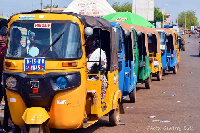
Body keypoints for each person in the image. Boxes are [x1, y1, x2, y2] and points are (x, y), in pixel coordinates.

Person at [86, 36, 108, 104]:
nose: (88, 42)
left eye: (90, 40)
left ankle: (100, 101)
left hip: (96, 75)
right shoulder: (83, 52)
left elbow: (105, 65)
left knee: (103, 82)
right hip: (84, 74)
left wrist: (99, 64)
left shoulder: (99, 52)